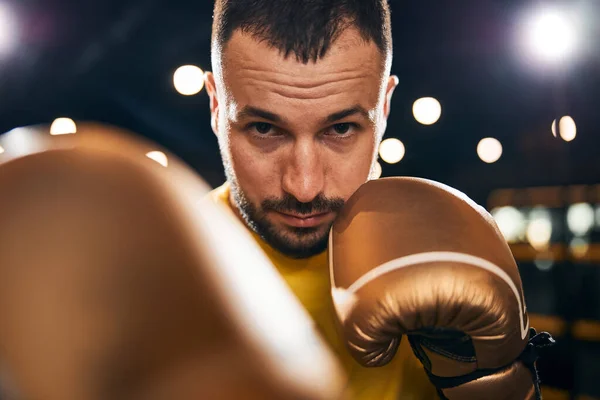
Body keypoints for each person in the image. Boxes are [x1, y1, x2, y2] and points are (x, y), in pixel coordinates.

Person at [204, 0, 439, 398]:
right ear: (215, 105)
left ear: (383, 107)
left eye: (341, 128)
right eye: (264, 128)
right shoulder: (161, 272)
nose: (304, 186)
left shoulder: (433, 262)